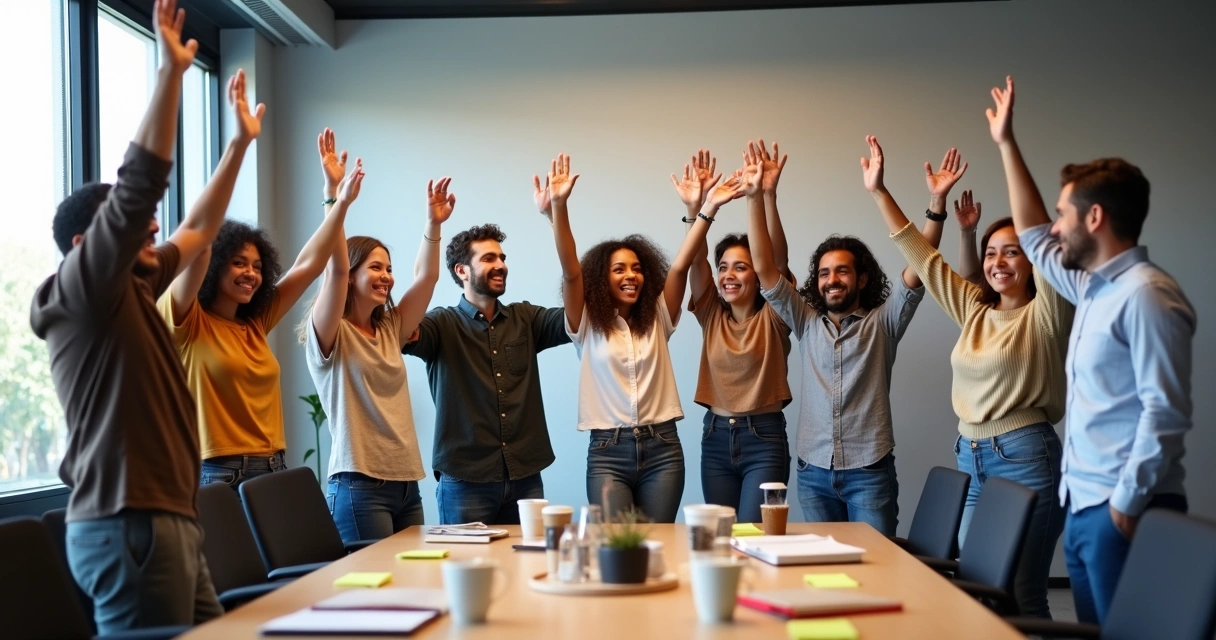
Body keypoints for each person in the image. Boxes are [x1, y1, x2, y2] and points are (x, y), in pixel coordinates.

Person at [29, 1, 234, 631]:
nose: (152, 228)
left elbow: (199, 228)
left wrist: (240, 145)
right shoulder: (80, 291)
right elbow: (139, 184)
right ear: (83, 247)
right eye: (131, 227)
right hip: (129, 524)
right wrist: (171, 76)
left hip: (164, 518)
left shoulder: (135, 289)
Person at [986, 76, 1195, 624]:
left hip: (1126, 509)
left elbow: (1165, 412)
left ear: (1095, 218)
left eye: (1065, 213)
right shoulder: (1091, 286)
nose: (1056, 225)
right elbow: (1032, 234)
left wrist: (1124, 506)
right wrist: (1007, 144)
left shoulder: (1147, 294)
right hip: (1083, 506)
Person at [867, 137, 1071, 618]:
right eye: (991, 253)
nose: (998, 262)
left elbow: (1042, 234)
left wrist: (1006, 143)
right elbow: (922, 257)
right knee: (980, 589)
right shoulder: (975, 311)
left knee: (1021, 594)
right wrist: (879, 191)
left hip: (1025, 455)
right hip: (972, 455)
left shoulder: (1047, 314)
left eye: (1013, 253)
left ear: (1034, 261)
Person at [751, 137, 950, 536]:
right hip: (812, 472)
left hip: (869, 471)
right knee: (825, 575)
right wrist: (759, 196)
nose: (831, 280)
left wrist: (936, 207)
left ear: (860, 278)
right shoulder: (806, 322)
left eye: (841, 271)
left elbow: (922, 263)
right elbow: (764, 267)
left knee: (877, 572)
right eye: (824, 273)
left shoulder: (884, 322)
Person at [159, 125, 364, 491]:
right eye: (239, 263)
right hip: (217, 471)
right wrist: (238, 144)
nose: (250, 273)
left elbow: (307, 266)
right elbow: (201, 235)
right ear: (215, 264)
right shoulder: (186, 320)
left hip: (273, 465)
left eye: (257, 266)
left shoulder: (254, 323)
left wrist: (336, 199)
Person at [546, 153, 729, 522]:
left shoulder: (659, 317)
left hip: (663, 449)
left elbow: (680, 265)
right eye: (619, 269)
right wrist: (558, 208)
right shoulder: (586, 324)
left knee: (658, 545)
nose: (631, 275)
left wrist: (703, 210)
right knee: (616, 549)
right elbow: (570, 273)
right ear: (602, 278)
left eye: (637, 268)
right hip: (606, 453)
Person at [300, 148, 455, 542]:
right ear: (350, 275)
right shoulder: (331, 332)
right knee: (374, 596)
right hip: (358, 487)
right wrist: (334, 195)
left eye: (388, 268)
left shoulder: (390, 328)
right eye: (375, 267)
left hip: (406, 483)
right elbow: (332, 269)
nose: (387, 276)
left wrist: (433, 225)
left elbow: (428, 277)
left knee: (412, 581)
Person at [402, 204, 571, 524]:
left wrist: (557, 215)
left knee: (526, 568)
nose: (501, 265)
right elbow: (404, 327)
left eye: (502, 258)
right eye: (489, 258)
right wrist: (433, 225)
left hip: (526, 477)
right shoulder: (440, 325)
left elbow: (576, 317)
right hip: (465, 483)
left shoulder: (527, 319)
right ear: (462, 271)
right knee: (468, 571)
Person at [671, 142, 794, 524]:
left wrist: (765, 196)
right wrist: (696, 208)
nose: (728, 275)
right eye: (724, 267)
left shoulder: (776, 314)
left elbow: (776, 261)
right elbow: (695, 261)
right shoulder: (711, 313)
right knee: (723, 538)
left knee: (754, 535)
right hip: (716, 438)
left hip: (765, 439)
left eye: (740, 267)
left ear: (758, 275)